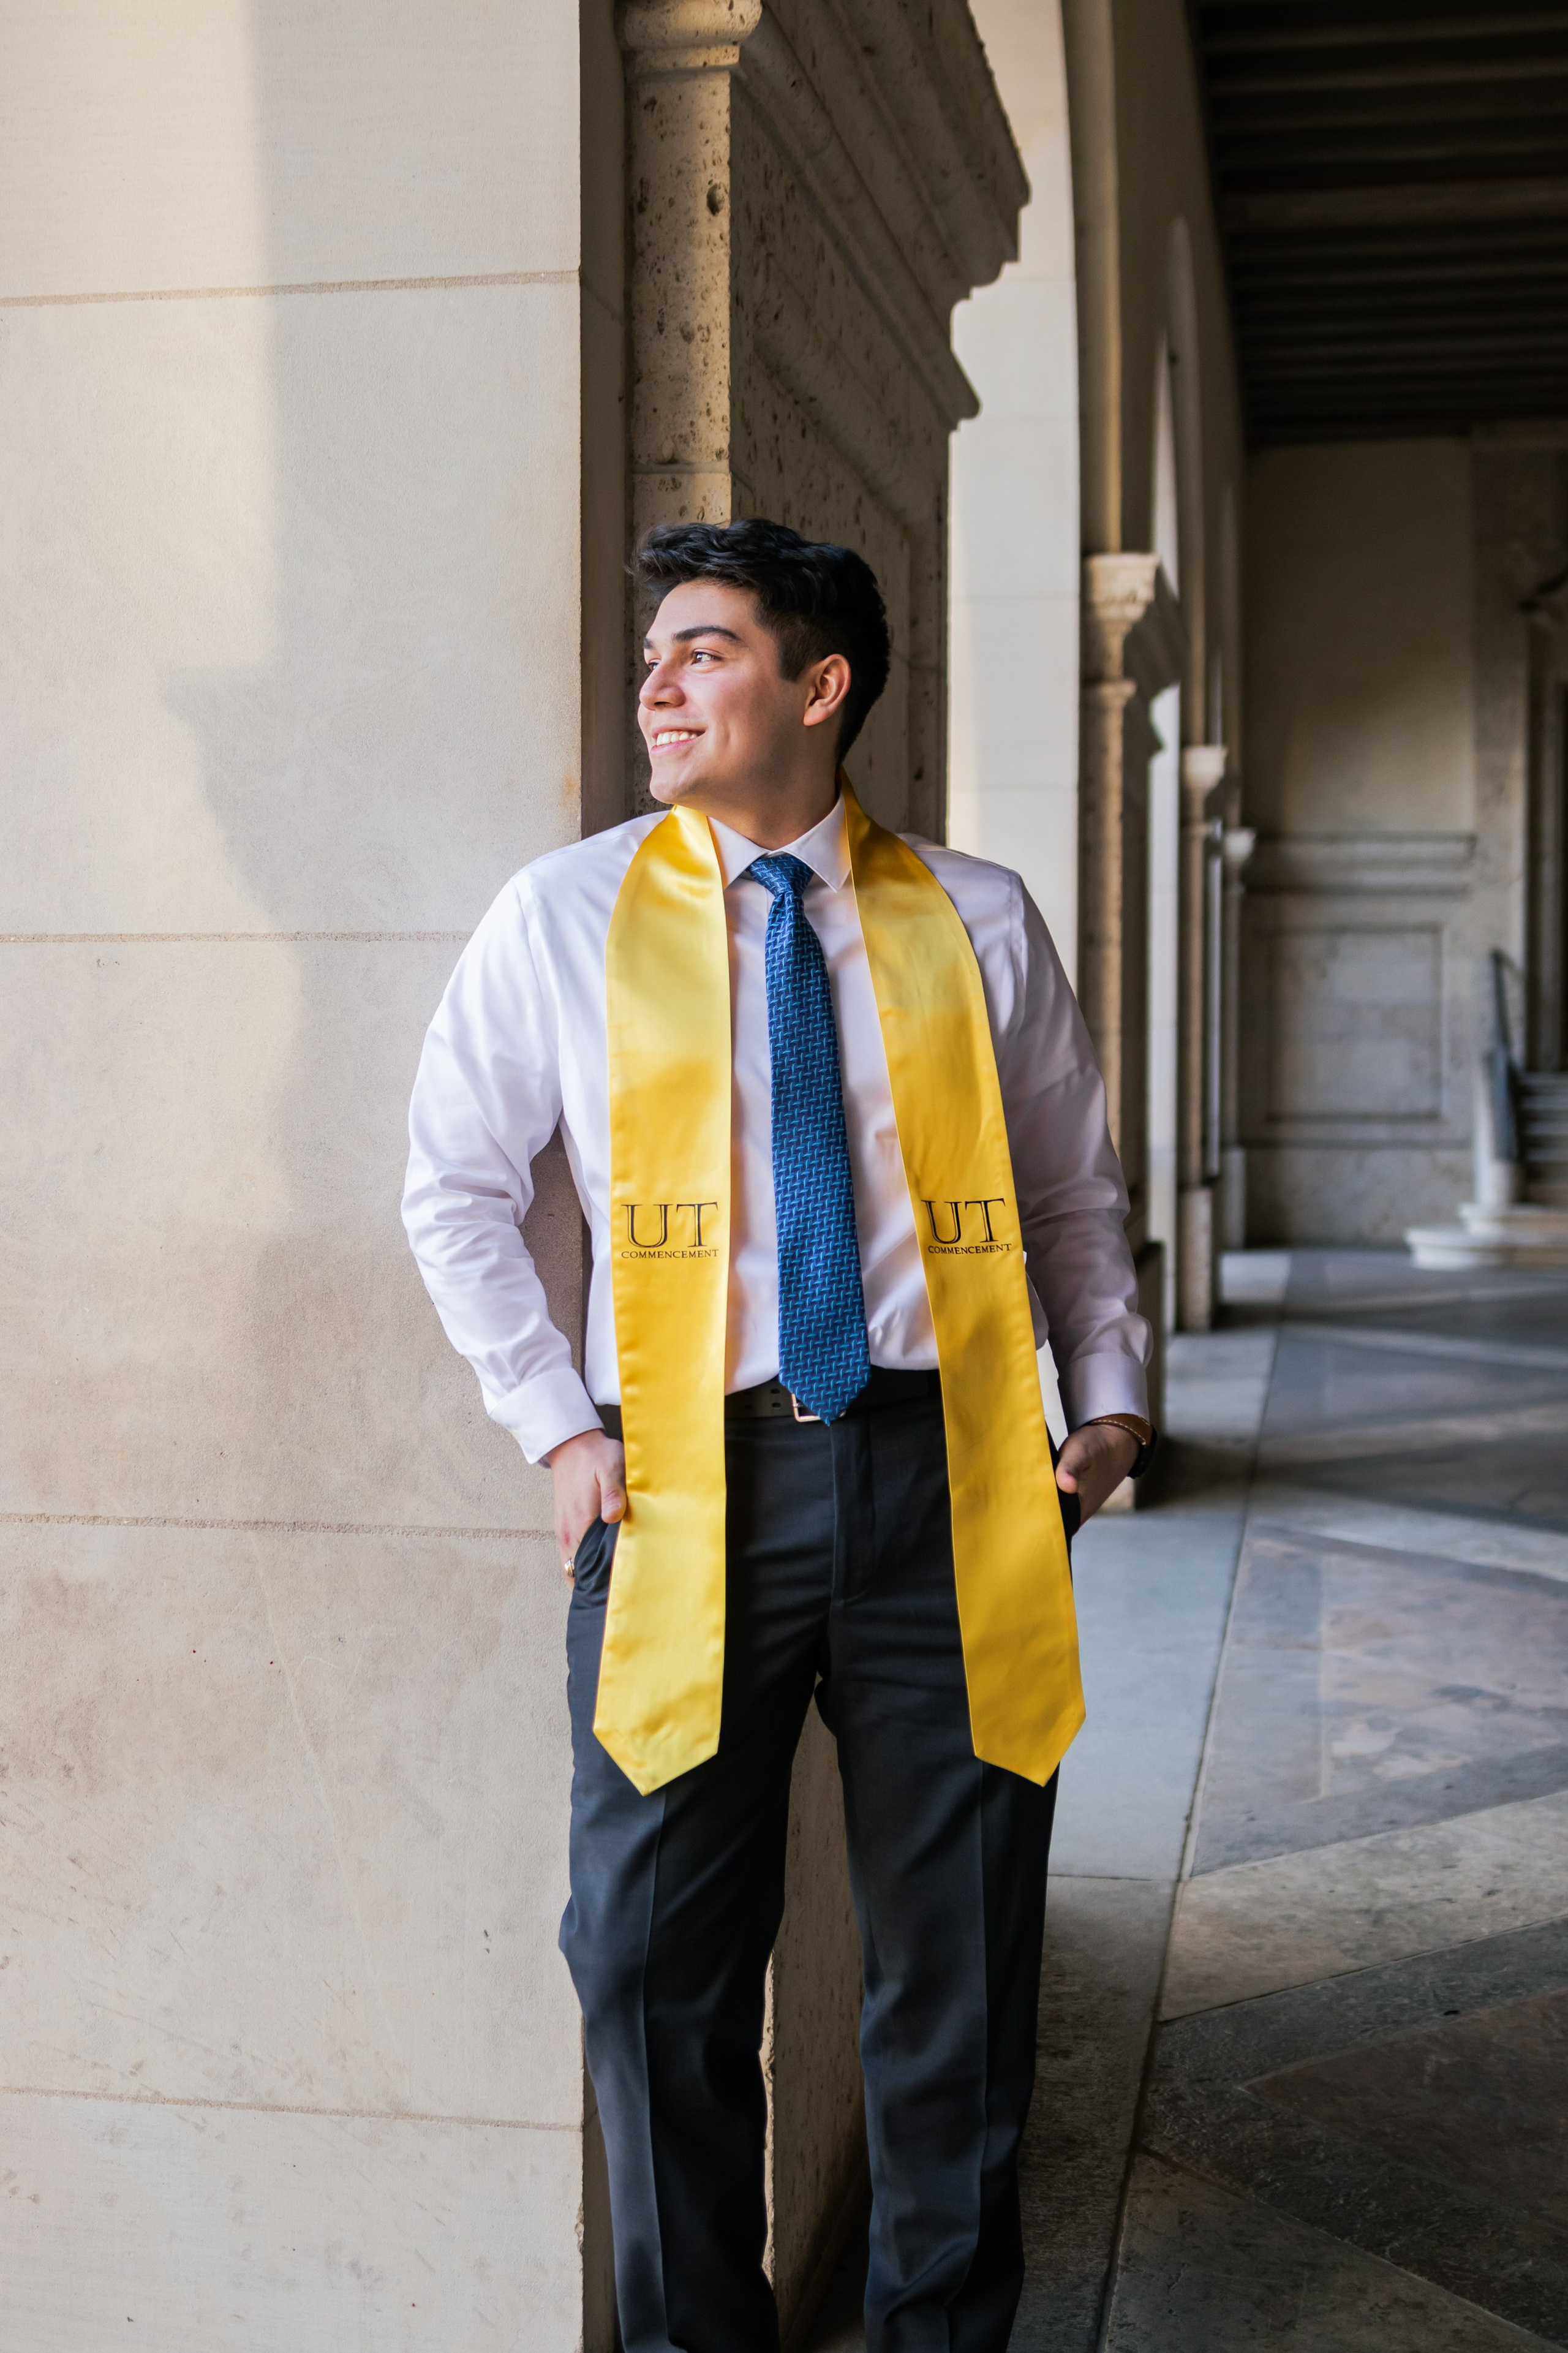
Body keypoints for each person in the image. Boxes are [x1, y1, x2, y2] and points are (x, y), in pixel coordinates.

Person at [402, 518, 1153, 2353]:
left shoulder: (972, 916)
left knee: (958, 1979)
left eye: (705, 651)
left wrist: (1112, 1389)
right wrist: (556, 1429)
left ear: (821, 689)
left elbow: (1069, 1190)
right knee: (649, 1969)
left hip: (945, 1477)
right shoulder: (564, 914)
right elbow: (452, 1190)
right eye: (653, 656)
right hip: (676, 1489)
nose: (656, 686)